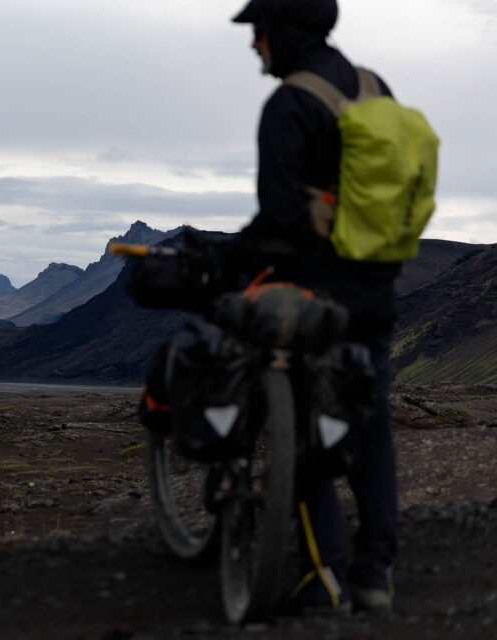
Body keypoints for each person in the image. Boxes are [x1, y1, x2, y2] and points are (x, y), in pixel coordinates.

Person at [230, 0, 399, 615]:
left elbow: (279, 214)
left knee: (301, 427)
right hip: (378, 288)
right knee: (370, 421)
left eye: (259, 31)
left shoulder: (288, 106)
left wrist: (229, 257)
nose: (254, 45)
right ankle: (375, 574)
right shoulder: (375, 88)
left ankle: (322, 575)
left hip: (315, 294)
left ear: (283, 32)